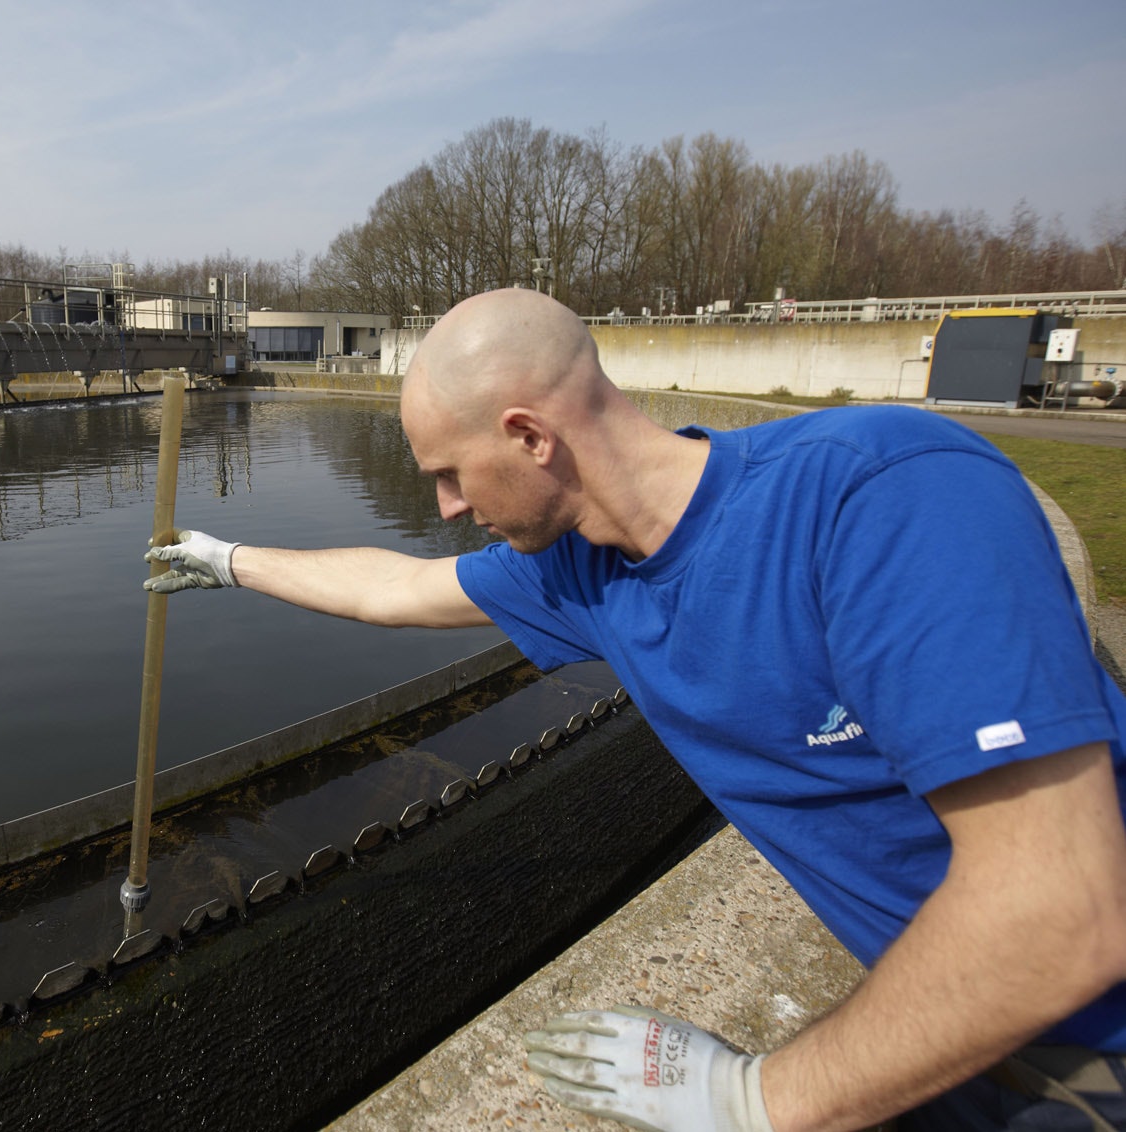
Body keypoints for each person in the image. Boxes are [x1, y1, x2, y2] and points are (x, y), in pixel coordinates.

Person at [144, 288, 1126, 1132]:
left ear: (528, 437)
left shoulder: (878, 495)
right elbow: (394, 589)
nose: (443, 506)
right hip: (956, 1036)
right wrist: (228, 560)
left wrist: (750, 1099)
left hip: (1092, 1047)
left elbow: (1058, 913)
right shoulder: (579, 571)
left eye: (449, 472)